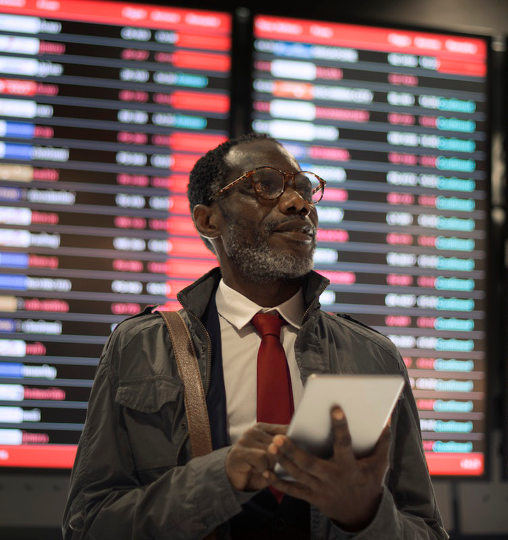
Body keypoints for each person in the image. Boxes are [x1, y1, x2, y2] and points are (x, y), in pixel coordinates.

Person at [63, 133, 448, 539]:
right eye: (265, 186)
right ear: (207, 220)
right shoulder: (140, 347)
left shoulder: (373, 356)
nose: (298, 203)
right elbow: (89, 525)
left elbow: (426, 529)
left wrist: (365, 516)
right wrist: (219, 479)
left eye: (303, 189)